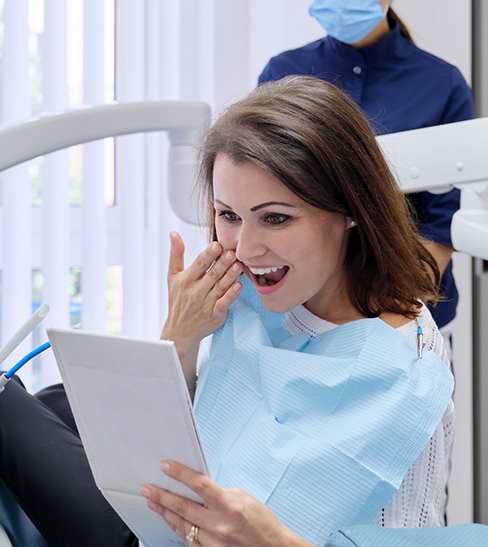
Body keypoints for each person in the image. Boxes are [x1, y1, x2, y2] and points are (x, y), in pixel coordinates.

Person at [0, 77, 453, 547]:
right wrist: (181, 337)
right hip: (174, 510)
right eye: (228, 215)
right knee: (56, 400)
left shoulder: (405, 368)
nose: (246, 248)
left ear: (351, 208)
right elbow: (206, 421)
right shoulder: (251, 292)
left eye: (276, 218)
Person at [258, 0, 474, 331]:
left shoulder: (442, 83)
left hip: (403, 305)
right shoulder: (283, 74)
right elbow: (262, 193)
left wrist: (392, 315)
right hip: (302, 308)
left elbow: (444, 224)